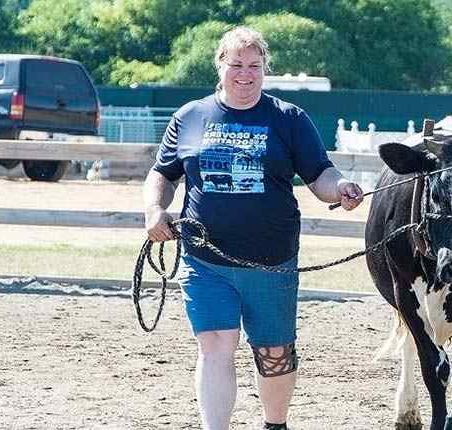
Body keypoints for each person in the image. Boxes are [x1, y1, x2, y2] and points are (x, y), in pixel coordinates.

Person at [142, 26, 364, 430]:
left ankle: (274, 424)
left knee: (274, 352)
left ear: (265, 69)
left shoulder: (289, 119)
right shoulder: (190, 117)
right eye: (236, 65)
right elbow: (163, 174)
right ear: (220, 66)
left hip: (271, 261)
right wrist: (155, 210)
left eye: (254, 66)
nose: (245, 74)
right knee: (214, 346)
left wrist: (341, 189)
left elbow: (320, 176)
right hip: (205, 260)